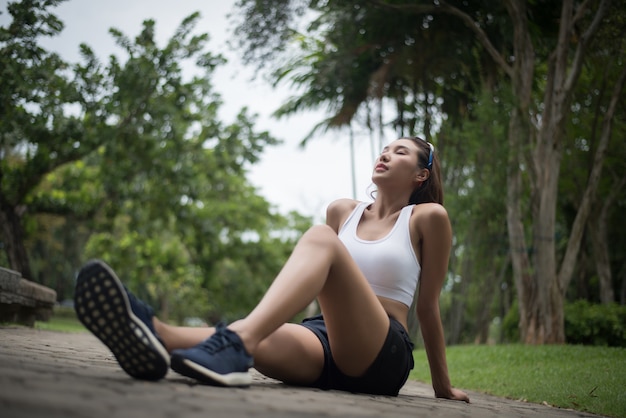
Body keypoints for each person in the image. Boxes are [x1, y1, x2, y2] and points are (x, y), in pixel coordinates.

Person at [74, 136, 469, 402]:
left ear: (421, 174)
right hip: (322, 341)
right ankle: (155, 336)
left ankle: (236, 344)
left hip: (381, 350)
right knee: (255, 334)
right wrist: (287, 326)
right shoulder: (343, 212)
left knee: (318, 239)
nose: (385, 154)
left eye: (400, 152)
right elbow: (323, 286)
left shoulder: (427, 217)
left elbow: (427, 307)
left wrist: (442, 385)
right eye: (384, 149)